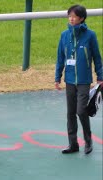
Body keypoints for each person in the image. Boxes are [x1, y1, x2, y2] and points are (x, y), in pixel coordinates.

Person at [55, 5, 103, 155]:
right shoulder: (64, 35)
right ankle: (73, 144)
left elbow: (97, 57)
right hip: (70, 80)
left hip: (84, 81)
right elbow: (60, 58)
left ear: (81, 18)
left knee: (81, 110)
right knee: (70, 113)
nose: (71, 19)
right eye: (69, 16)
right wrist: (58, 77)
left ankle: (88, 141)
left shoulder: (90, 35)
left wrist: (100, 77)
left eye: (74, 16)